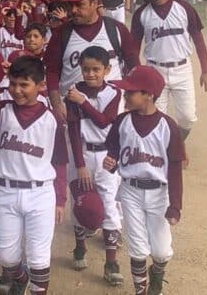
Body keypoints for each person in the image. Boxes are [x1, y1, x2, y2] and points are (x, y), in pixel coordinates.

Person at [0, 56, 68, 295]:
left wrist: (61, 199)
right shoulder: (2, 109)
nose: (17, 90)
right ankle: (20, 278)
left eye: (24, 84)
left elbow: (60, 161)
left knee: (38, 256)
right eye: (13, 83)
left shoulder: (52, 118)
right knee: (5, 254)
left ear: (41, 85)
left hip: (41, 192)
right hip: (7, 190)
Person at [103, 66, 186, 295]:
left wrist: (176, 206)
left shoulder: (168, 126)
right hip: (130, 190)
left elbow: (176, 169)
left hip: (159, 193)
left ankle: (157, 272)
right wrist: (111, 164)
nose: (125, 95)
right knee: (138, 250)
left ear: (149, 94)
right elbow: (113, 152)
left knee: (161, 252)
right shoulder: (122, 122)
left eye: (131, 92)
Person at [65, 46, 124, 286]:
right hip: (82, 153)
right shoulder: (74, 92)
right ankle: (80, 247)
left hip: (106, 155)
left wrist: (85, 103)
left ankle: (111, 263)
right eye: (86, 69)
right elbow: (74, 129)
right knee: (81, 202)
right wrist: (79, 164)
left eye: (96, 70)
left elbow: (104, 122)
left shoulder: (114, 93)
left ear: (107, 70)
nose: (90, 74)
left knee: (108, 204)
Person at [131, 0, 207, 141]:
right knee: (156, 117)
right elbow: (133, 48)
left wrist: (205, 70)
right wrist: (136, 75)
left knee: (188, 118)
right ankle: (167, 152)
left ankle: (176, 143)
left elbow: (198, 40)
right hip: (154, 70)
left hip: (182, 69)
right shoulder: (141, 14)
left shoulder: (184, 8)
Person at [44, 0, 139, 116]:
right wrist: (57, 104)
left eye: (80, 4)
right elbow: (52, 71)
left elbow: (134, 66)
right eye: (71, 5)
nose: (74, 10)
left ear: (95, 3)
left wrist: (132, 102)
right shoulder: (62, 33)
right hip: (73, 108)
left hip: (112, 107)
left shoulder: (116, 29)